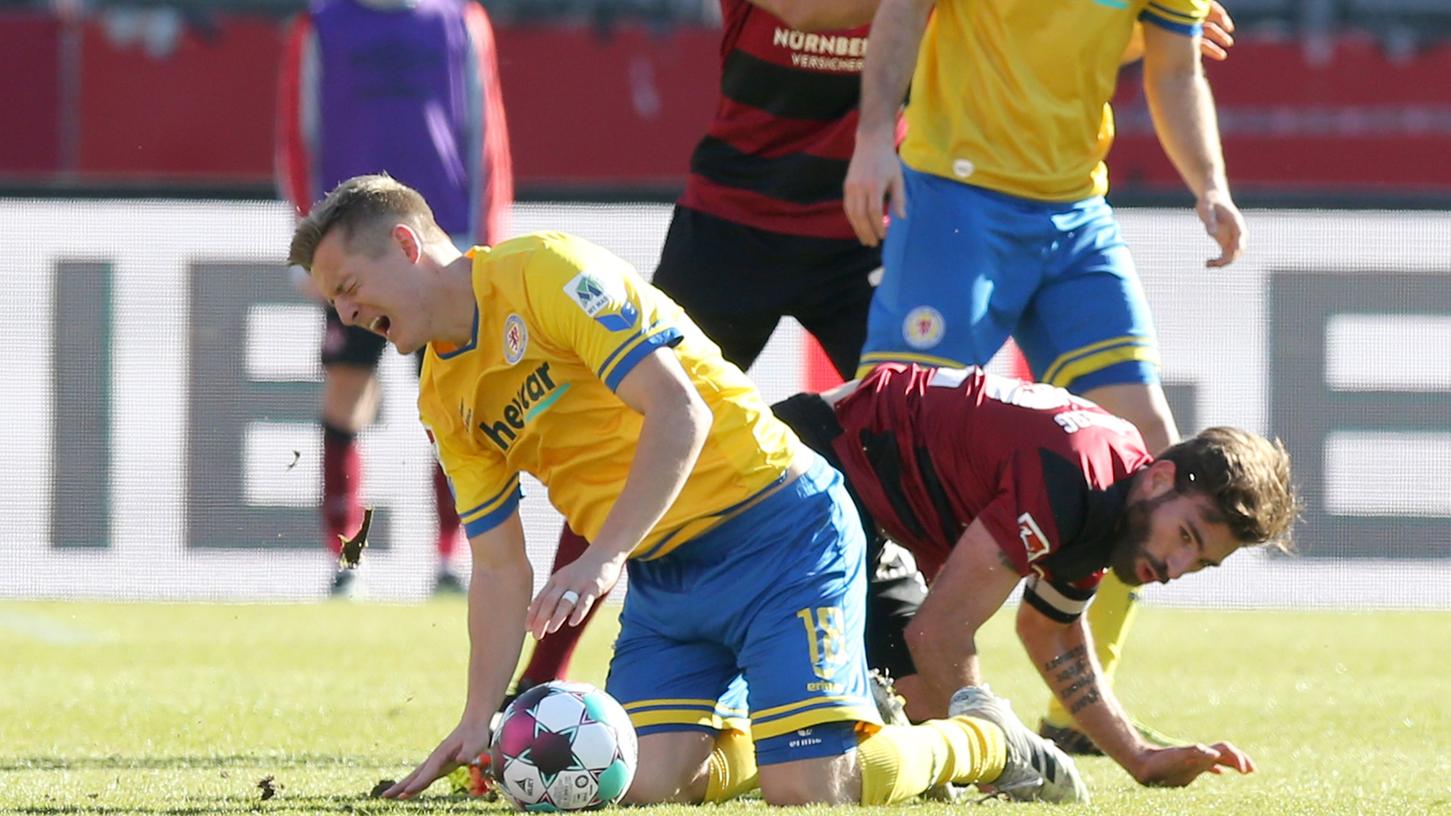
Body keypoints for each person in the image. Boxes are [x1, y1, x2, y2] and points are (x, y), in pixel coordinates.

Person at [500, 0, 1238, 739]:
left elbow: (1025, 40)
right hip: (741, 225)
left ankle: (977, 697)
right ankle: (545, 674)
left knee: (931, 456)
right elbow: (828, 11)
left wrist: (1144, 36)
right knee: (651, 437)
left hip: (869, 228)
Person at [290, 174, 1090, 805]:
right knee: (636, 786)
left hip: (780, 531)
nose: (347, 311)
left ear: (404, 243)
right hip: (669, 576)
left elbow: (679, 412)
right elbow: (500, 567)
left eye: (349, 284)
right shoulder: (442, 397)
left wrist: (602, 557)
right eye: (335, 302)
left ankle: (984, 739)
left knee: (807, 796)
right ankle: (802, 722)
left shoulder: (544, 272)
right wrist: (476, 717)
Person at [843, 0, 1244, 748]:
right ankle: (860, 680)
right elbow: (901, 12)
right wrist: (872, 136)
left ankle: (1076, 717)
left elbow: (1174, 68)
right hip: (951, 197)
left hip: (1072, 214)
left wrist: (1209, 183)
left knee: (1152, 442)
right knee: (881, 441)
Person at [770, 362, 1297, 786]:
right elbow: (937, 632)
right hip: (801, 468)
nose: (1176, 570)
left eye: (1200, 562)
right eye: (1186, 538)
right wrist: (1010, 753)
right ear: (1160, 479)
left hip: (860, 510)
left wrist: (1140, 759)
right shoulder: (1076, 479)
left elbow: (1049, 629)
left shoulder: (1115, 503)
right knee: (827, 751)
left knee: (925, 715)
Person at [275, 0, 512, 597]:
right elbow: (297, 133)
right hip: (350, 253)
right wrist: (310, 244)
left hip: (441, 243)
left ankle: (451, 554)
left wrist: (487, 237)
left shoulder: (459, 20)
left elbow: (486, 132)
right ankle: (344, 557)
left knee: (453, 400)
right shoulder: (322, 23)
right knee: (348, 391)